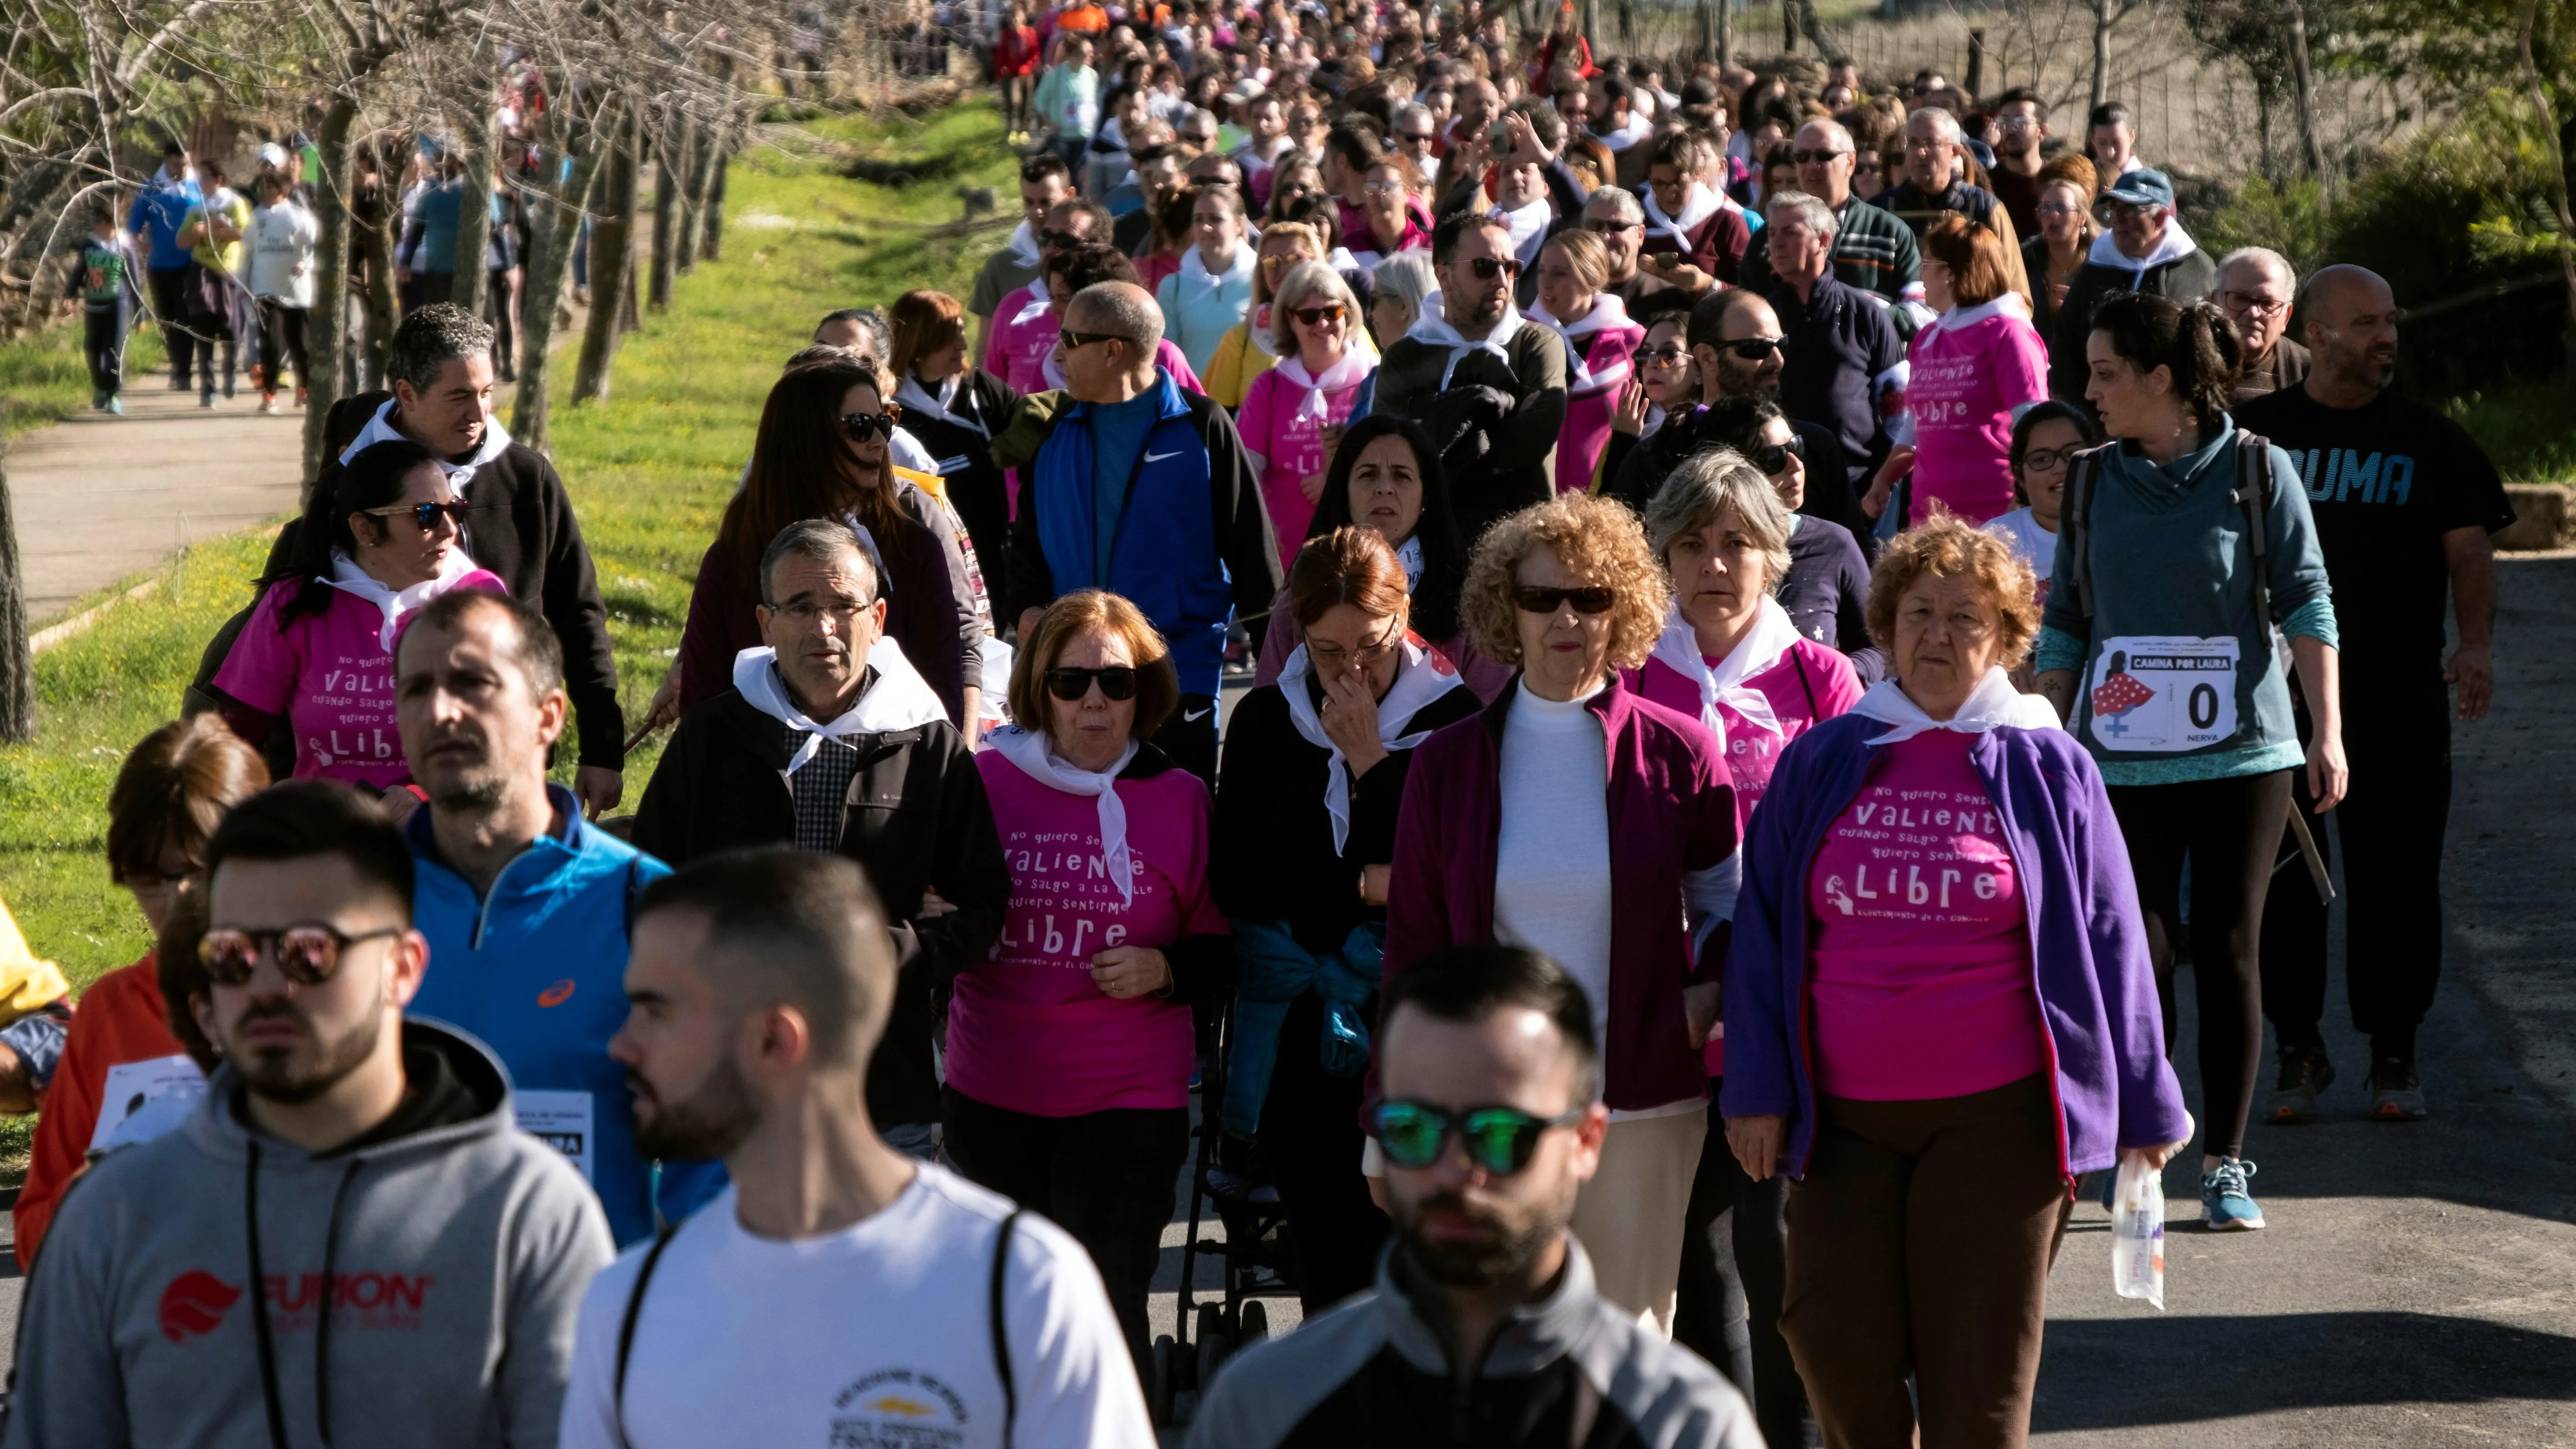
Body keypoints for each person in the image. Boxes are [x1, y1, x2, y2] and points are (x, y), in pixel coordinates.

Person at [1722, 515, 2190, 1449]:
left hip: (2000, 1121)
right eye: (1919, 614)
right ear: (1886, 628)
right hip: (1842, 1118)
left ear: (2007, 641)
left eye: (1965, 619)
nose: (1937, 635)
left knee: (1975, 1388)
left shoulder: (2049, 765)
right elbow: (1763, 931)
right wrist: (1756, 1087)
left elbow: (2113, 939)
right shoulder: (1826, 757)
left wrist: (2149, 1106)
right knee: (1826, 1334)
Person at [4, 781, 613, 1449]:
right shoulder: (111, 1217)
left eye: (308, 952)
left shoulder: (525, 1213)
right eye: (234, 956)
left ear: (402, 967)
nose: (267, 985)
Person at [564, 847, 1156, 1448]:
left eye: (654, 1012)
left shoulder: (1021, 1288)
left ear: (774, 1040)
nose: (622, 1046)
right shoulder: (628, 1306)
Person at [1384, 493, 1738, 1334]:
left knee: (1621, 1346)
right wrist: (1388, 1112)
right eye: (1542, 597)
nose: (1566, 617)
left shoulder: (1679, 749)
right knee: (1488, 1347)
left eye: (1590, 597)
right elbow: (1414, 953)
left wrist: (1704, 998)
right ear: (1506, 611)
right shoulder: (1445, 764)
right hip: (1486, 1110)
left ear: (1624, 610)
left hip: (1643, 1103)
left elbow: (1728, 901)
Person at [2034, 292, 2345, 1231]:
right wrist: (2046, 731)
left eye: (2104, 374)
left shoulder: (2258, 469)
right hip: (2124, 758)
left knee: (2229, 946)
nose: (2087, 392)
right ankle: (2143, 1151)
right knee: (2139, 951)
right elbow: (2067, 621)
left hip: (2245, 751)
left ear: (2161, 379)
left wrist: (2326, 731)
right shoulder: (2090, 482)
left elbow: (2306, 599)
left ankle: (2224, 1163)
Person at [1186, 945, 1762, 1449]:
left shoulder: (1685, 1424)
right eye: (1413, 1129)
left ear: (1585, 1141)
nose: (1456, 1171)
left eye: (1501, 1134)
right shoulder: (1263, 1408)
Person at [633, 519, 1010, 1147]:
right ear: (765, 622)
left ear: (879, 616)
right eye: (801, 607)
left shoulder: (925, 741)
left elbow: (983, 901)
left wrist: (885, 953)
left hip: (882, 1090)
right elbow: (651, 883)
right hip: (731, 1085)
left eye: (843, 606)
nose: (824, 628)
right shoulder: (715, 736)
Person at [2241, 264, 2514, 1124]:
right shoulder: (2255, 436)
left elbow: (2469, 554)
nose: (2385, 336)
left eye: (2390, 320)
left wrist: (2472, 646)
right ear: (2314, 335)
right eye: (2364, 323)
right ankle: (2296, 1048)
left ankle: (2392, 1050)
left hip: (2398, 699)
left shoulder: (2430, 441)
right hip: (2274, 702)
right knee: (2282, 878)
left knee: (2396, 878)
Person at [1628, 452, 1859, 1449]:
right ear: (1664, 558)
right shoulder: (1630, 668)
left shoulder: (1822, 677)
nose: (1715, 565)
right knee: (1696, 1255)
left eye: (1737, 545)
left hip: (1790, 1003)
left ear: (1775, 556)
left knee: (1785, 1257)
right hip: (1659, 1001)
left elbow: (1851, 845)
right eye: (1692, 544)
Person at [951, 591, 1233, 1370]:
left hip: (1126, 1100)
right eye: (1070, 684)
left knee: (1099, 1314)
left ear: (1144, 694)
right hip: (993, 1090)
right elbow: (938, 914)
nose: (1093, 702)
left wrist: (1164, 967)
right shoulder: (983, 782)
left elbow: (1222, 948)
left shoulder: (1179, 800)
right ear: (1039, 690)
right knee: (1004, 1316)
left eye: (1115, 682)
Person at [395, 589, 724, 1245]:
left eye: (472, 683)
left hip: (588, 1330)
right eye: (416, 689)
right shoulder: (356, 906)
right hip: (389, 1330)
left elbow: (712, 1184)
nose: (439, 710)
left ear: (549, 716)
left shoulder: (645, 909)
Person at [1214, 528, 1483, 1310]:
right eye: (1328, 652)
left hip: (1416, 1011)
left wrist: (1369, 761)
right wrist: (1365, 886)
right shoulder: (1266, 721)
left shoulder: (1453, 717)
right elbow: (1240, 879)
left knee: (1417, 1250)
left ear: (1404, 622)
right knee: (1326, 1250)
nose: (1351, 671)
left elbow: (1451, 876)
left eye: (1369, 646)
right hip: (1300, 1020)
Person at [298, 305, 627, 816]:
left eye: (487, 393)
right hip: (371, 797)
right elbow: (289, 617)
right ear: (406, 395)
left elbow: (577, 609)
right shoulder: (348, 483)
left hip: (508, 761)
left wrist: (603, 747)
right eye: (459, 396)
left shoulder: (527, 478)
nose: (478, 413)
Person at [14, 716, 266, 1270]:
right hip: (146, 1338)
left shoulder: (324, 993)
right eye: (150, 878)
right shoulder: (109, 1011)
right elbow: (33, 1238)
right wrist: (97, 1190)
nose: (175, 902)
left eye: (197, 873)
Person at [1006, 281, 1280, 784]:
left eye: (1070, 340)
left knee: (1177, 837)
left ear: (1113, 351)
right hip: (1073, 686)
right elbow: (1025, 549)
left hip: (1174, 677)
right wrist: (1027, 613)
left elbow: (1253, 559)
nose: (1057, 353)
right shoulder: (1050, 432)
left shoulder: (1203, 428)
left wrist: (1280, 685)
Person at [676, 354, 984, 726]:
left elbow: (943, 682)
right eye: (859, 426)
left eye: (884, 423)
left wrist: (952, 767)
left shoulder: (910, 545)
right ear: (805, 438)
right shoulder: (735, 556)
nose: (879, 442)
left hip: (890, 769)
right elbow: (702, 704)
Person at [210, 438, 504, 796]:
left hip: (446, 832)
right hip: (326, 834)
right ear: (365, 529)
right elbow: (233, 738)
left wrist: (425, 799)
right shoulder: (296, 600)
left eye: (454, 510)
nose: (449, 529)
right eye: (426, 514)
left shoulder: (480, 601)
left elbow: (509, 736)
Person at [1372, 212, 1571, 545]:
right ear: (1445, 277)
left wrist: (1437, 432)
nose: (1501, 279)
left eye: (1510, 268)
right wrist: (1506, 420)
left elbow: (1538, 436)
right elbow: (1390, 452)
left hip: (1522, 544)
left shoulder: (1538, 343)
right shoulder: (1405, 356)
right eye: (1484, 267)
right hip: (1430, 545)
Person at [1897, 213, 2050, 525]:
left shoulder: (2009, 334)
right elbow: (1914, 426)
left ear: (1950, 275)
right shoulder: (1927, 337)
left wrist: (2024, 500)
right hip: (1928, 519)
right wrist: (1882, 481)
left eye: (1925, 266)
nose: (1920, 278)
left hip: (1995, 515)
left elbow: (2034, 424)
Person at [1758, 191, 1907, 507]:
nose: (1777, 243)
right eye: (1772, 233)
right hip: (1777, 489)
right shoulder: (1760, 317)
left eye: (1790, 233)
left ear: (1823, 240)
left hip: (1858, 489)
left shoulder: (1866, 314)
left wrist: (1886, 481)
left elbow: (1898, 412)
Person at [890, 288, 1025, 611]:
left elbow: (1031, 436)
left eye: (962, 334)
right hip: (923, 557)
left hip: (990, 557)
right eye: (951, 338)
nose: (963, 347)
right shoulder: (891, 406)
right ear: (920, 345)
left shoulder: (984, 392)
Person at [1239, 261, 1378, 570]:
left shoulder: (1374, 378)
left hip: (1361, 553)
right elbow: (1246, 472)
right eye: (1308, 315)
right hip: (1287, 553)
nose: (1323, 323)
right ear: (1289, 320)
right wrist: (1259, 530)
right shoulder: (1270, 386)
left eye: (1332, 312)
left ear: (1348, 313)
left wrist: (1333, 479)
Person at [2043, 169, 2215, 401]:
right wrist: (2080, 411)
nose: (2119, 220)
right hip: (2097, 412)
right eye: (2115, 210)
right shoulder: (2096, 268)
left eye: (2132, 211)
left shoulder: (2196, 270)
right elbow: (2067, 342)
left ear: (2161, 218)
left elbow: (2207, 349)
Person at [1734, 119, 1919, 305]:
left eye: (1824, 155)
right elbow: (1748, 312)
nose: (1812, 165)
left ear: (1851, 162)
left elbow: (1918, 313)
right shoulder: (1771, 236)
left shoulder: (1890, 232)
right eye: (1802, 157)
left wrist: (1869, 316)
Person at [1529, 228, 1644, 496]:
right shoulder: (1521, 336)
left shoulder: (1633, 340)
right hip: (1530, 502)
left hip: (1603, 499)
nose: (1545, 284)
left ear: (1591, 278)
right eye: (1541, 271)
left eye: (1559, 274)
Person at [1870, 105, 2025, 301]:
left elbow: (2016, 292)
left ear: (1955, 152)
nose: (1920, 152)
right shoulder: (1881, 209)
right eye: (1914, 143)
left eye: (1931, 143)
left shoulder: (1984, 208)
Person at [1984, 400, 2103, 604]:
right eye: (2042, 459)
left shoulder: (2124, 526)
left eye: (2072, 454)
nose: (2060, 468)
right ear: (2020, 477)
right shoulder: (1996, 542)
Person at [1203, 220, 1323, 409]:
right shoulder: (1240, 339)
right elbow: (1218, 416)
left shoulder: (1341, 328)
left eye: (1295, 259)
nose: (1284, 271)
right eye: (1272, 262)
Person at [972, 154, 1075, 361]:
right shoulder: (1002, 268)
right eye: (1029, 202)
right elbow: (986, 350)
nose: (1036, 211)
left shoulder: (1090, 260)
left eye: (1047, 202)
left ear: (1069, 197)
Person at [128, 139, 205, 392]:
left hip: (192, 264)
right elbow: (133, 228)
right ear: (166, 160)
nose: (181, 169)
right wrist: (143, 247)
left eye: (185, 164)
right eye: (176, 164)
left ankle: (184, 371)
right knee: (168, 320)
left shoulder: (198, 186)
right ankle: (176, 363)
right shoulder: (152, 188)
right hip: (161, 266)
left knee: (188, 317)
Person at [1157, 182, 1256, 375]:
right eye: (1198, 220)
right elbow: (1169, 361)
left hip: (1250, 401)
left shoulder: (1262, 281)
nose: (1205, 228)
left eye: (1216, 219)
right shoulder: (1173, 287)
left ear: (1239, 225)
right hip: (1195, 402)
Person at [175, 158, 251, 408]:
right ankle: (208, 390)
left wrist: (210, 232)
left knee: (230, 329)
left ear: (218, 180)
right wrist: (202, 231)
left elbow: (243, 233)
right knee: (203, 330)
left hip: (228, 274)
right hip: (202, 274)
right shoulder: (198, 209)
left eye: (205, 177)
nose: (200, 182)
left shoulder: (235, 204)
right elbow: (182, 241)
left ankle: (230, 371)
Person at [1635, 129, 1748, 289]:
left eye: (1679, 183)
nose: (1669, 194)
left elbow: (1750, 293)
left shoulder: (1727, 223)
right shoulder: (1632, 221)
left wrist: (1707, 285)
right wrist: (1634, 273)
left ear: (1697, 174)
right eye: (1659, 184)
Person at [245, 167, 318, 413]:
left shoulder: (299, 217)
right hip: (265, 290)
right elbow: (248, 250)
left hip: (296, 291)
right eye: (262, 187)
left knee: (300, 345)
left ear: (282, 190)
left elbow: (315, 249)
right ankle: (270, 395)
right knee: (270, 345)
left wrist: (305, 265)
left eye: (270, 187)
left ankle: (305, 389)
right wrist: (243, 284)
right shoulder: (257, 217)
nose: (264, 192)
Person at [64, 202, 138, 415]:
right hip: (94, 306)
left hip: (118, 305)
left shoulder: (124, 247)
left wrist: (140, 313)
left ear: (109, 223)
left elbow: (134, 282)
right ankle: (100, 386)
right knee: (93, 349)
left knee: (114, 351)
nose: (93, 225)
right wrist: (69, 295)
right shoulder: (89, 245)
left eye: (97, 221)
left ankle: (113, 393)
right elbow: (78, 273)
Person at [2216, 247, 2310, 403]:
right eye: (2240, 298)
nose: (2253, 313)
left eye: (2267, 303)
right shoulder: (2179, 364)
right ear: (2214, 301)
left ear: (2286, 316)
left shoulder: (2309, 377)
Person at [2022, 155, 2098, 345]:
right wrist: (2045, 309)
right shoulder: (2026, 257)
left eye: (2061, 208)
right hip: (2038, 354)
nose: (2052, 215)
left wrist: (2077, 308)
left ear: (2082, 217)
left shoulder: (2101, 258)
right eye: (2045, 208)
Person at [1984, 87, 2052, 239]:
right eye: (2004, 121)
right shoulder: (1986, 184)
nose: (2011, 128)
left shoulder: (2058, 181)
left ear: (2042, 131)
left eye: (2021, 121)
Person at [1035, 32, 1103, 175]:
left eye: (1091, 53)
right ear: (1073, 54)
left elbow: (1095, 103)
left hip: (1085, 135)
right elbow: (1040, 100)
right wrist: (1049, 123)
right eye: (1086, 53)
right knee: (1063, 174)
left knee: (1079, 175)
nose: (1090, 56)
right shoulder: (1056, 75)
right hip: (1062, 136)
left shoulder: (1092, 75)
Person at [994, 5, 1045, 142]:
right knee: (1012, 102)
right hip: (1010, 75)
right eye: (1012, 16)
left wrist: (1028, 67)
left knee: (1026, 103)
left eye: (1017, 16)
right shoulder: (1005, 35)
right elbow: (1001, 55)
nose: (1014, 19)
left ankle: (1024, 130)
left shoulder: (1030, 33)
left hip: (1026, 75)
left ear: (1023, 17)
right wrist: (1001, 72)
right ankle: (1012, 129)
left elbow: (1035, 54)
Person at [2088, 99, 2144, 178]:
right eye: (2102, 143)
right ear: (2093, 139)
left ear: (2132, 137)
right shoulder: (2083, 179)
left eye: (2117, 142)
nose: (2110, 153)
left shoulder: (2144, 184)